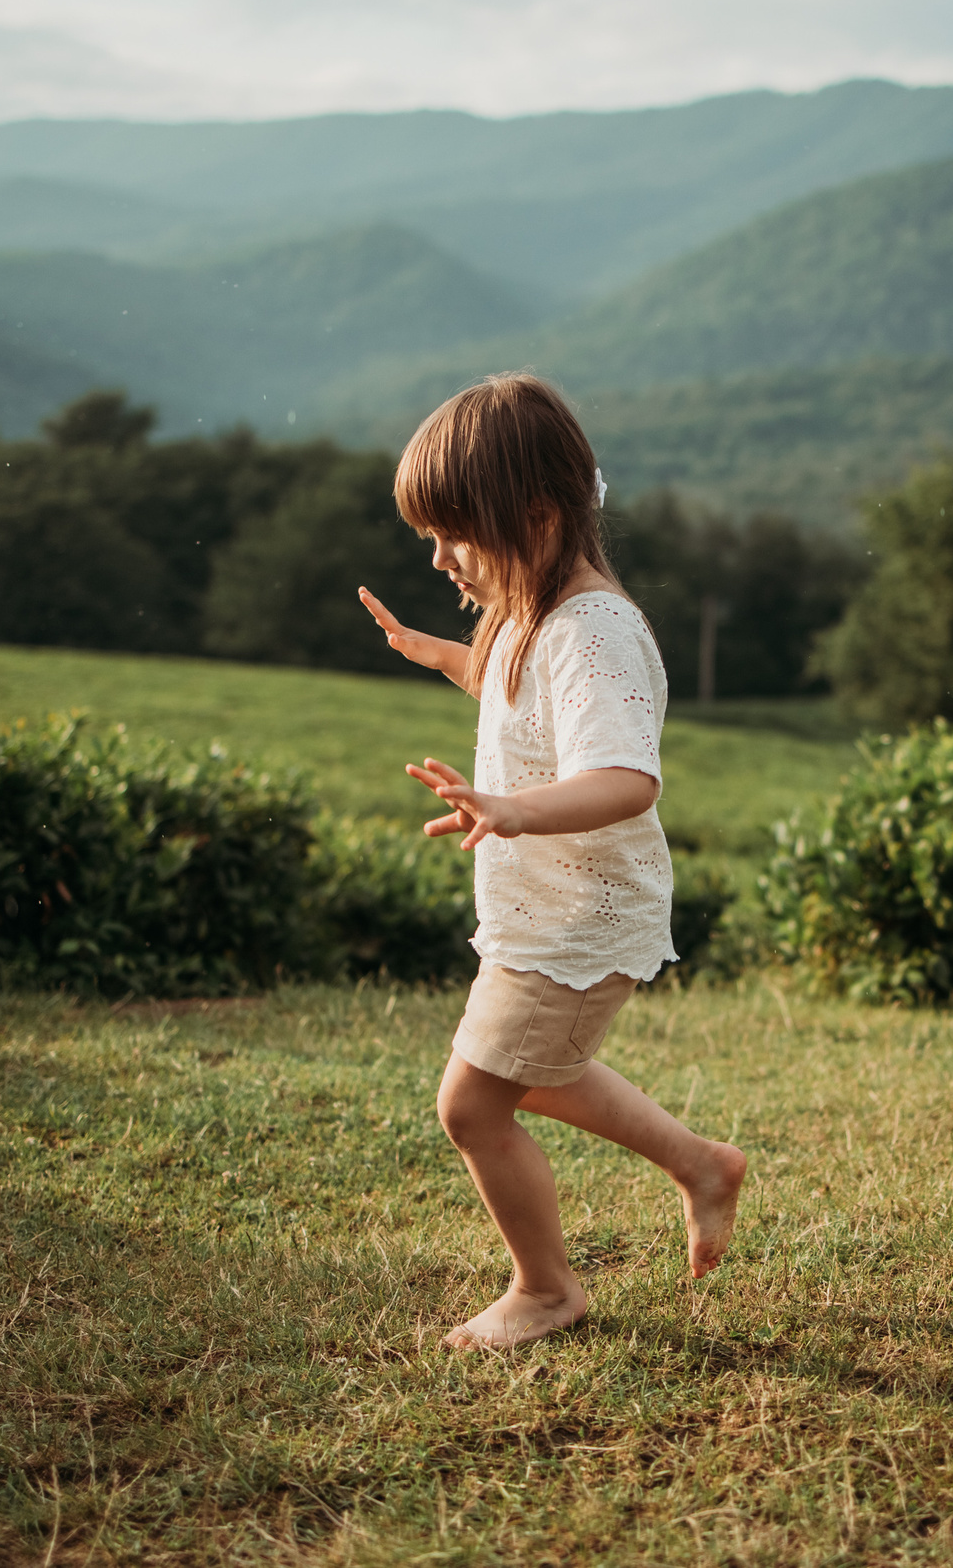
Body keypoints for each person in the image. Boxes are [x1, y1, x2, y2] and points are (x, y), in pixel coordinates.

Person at [357, 372, 747, 1351]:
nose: (441, 559)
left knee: (472, 1104)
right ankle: (702, 1165)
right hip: (550, 915)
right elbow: (505, 684)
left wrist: (514, 809)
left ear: (533, 516)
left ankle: (545, 1292)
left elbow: (623, 777)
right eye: (428, 540)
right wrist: (436, 652)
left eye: (454, 535)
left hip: (582, 919)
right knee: (533, 1074)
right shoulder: (537, 611)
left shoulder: (593, 632)